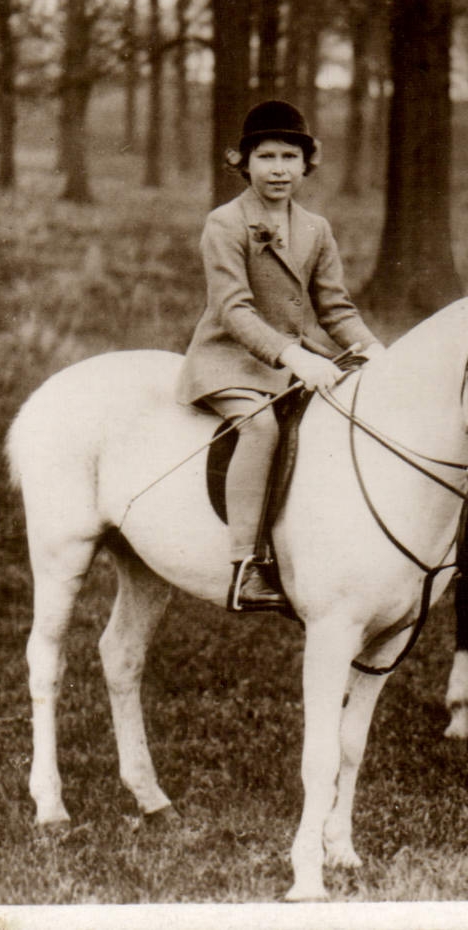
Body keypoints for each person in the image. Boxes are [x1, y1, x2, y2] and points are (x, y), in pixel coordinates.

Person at [177, 99, 381, 611]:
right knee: (261, 427)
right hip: (230, 360)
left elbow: (335, 309)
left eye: (290, 157)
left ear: (306, 163)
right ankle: (246, 564)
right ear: (243, 163)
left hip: (297, 359)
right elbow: (233, 310)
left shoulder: (316, 228)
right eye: (266, 157)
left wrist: (374, 350)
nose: (279, 169)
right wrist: (293, 356)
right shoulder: (224, 224)